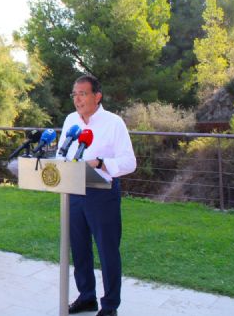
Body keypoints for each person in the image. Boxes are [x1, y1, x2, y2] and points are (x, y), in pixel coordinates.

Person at [56, 75, 136, 316]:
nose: (77, 99)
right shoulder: (71, 120)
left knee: (107, 249)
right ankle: (87, 297)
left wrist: (101, 163)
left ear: (97, 96)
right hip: (74, 192)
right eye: (74, 94)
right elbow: (62, 155)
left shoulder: (113, 122)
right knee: (79, 248)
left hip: (102, 194)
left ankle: (110, 306)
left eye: (82, 93)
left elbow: (129, 162)